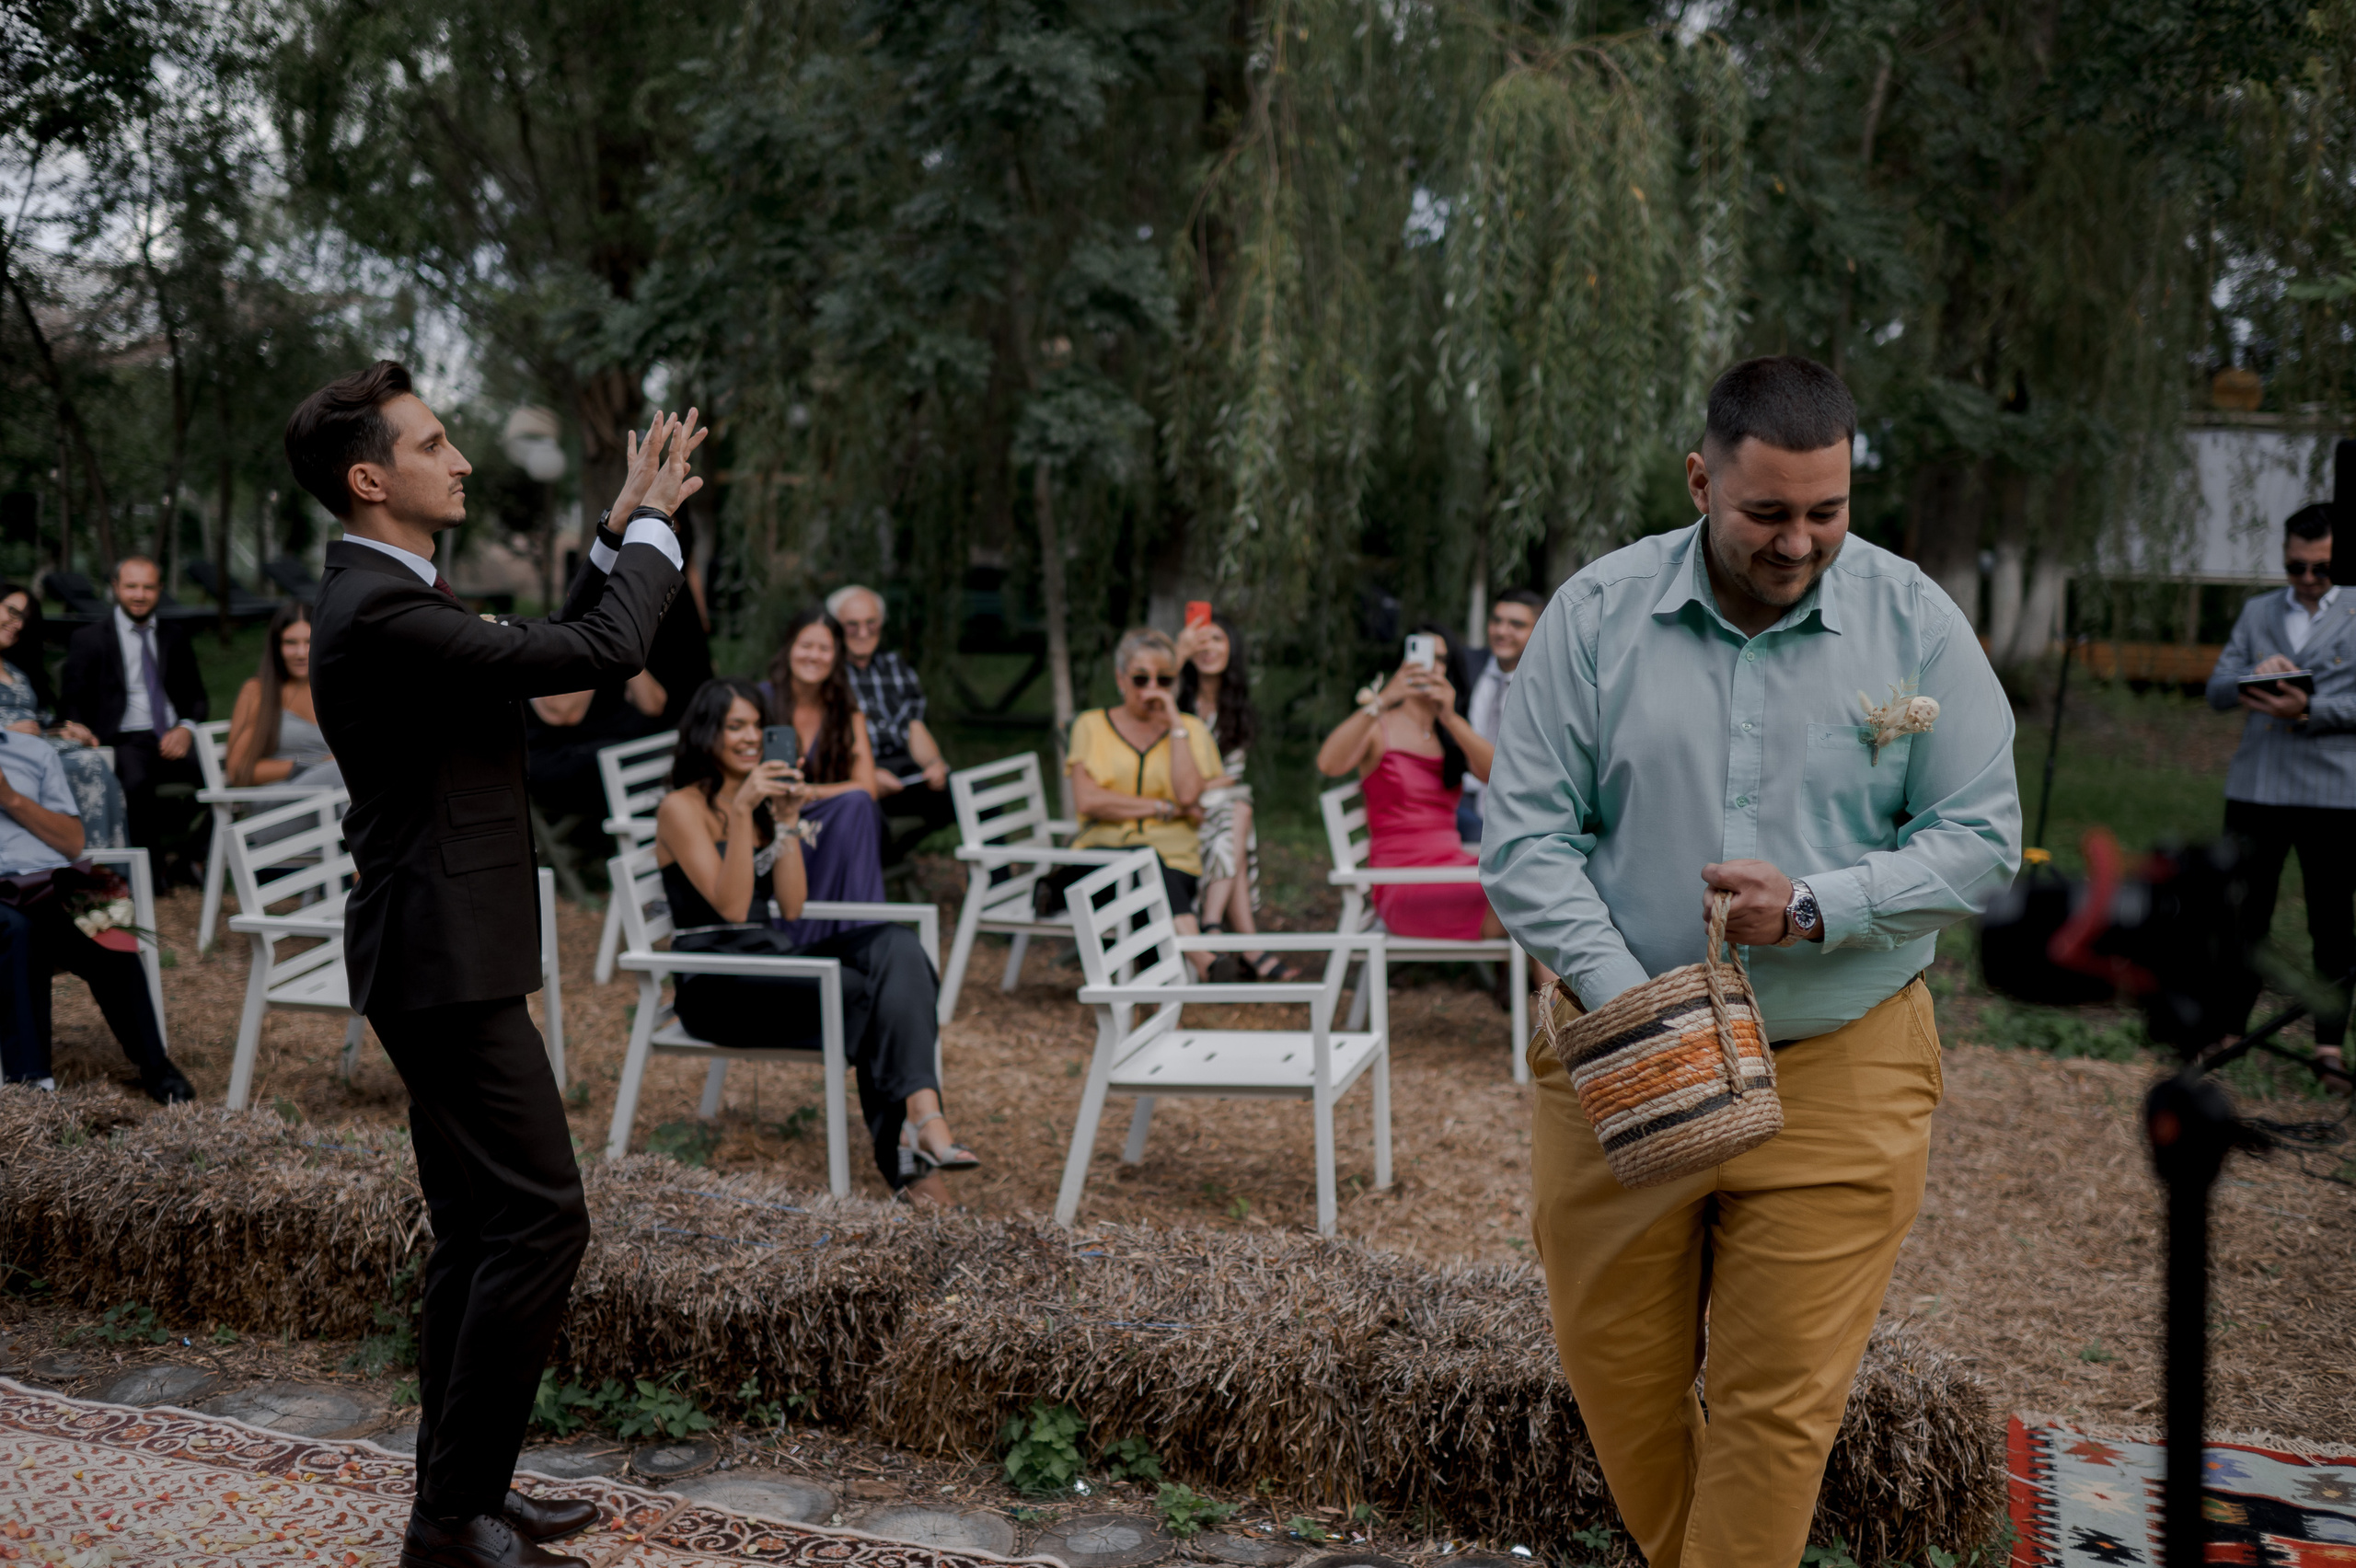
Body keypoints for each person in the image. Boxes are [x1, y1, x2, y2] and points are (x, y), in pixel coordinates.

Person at [1482, 355, 2020, 1565]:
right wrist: (1640, 1009)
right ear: (1699, 479)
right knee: (1620, 1388)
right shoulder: (1595, 616)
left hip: (1843, 1063)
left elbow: (1985, 839)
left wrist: (1823, 905)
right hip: (1621, 1064)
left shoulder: (1914, 620)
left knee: (1778, 1412)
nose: (1799, 543)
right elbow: (1523, 842)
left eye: (1826, 512)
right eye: (1767, 513)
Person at [291, 358, 699, 1568]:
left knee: (480, 1229)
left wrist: (617, 528)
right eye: (432, 443)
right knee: (539, 1220)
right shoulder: (378, 608)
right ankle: (451, 1520)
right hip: (437, 962)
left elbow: (548, 646)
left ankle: (460, 1497)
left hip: (440, 950)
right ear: (371, 478)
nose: (459, 459)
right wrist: (661, 534)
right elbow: (605, 648)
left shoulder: (399, 595)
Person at [653, 676, 976, 1202]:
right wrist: (739, 813)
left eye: (758, 725)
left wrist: (785, 821)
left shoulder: (759, 805)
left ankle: (921, 1112)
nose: (751, 736)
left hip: (770, 961)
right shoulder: (681, 808)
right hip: (719, 986)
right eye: (736, 726)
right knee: (874, 997)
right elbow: (732, 907)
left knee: (897, 945)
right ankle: (912, 1156)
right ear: (707, 733)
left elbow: (794, 905)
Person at [2204, 502, 2356, 1090]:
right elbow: (2217, 689)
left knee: (2332, 923)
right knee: (2241, 914)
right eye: (2297, 567)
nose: (2309, 580)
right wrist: (2253, 677)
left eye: (2321, 568)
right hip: (2256, 788)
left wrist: (2311, 708)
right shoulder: (2258, 611)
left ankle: (2328, 1048)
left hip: (2335, 794)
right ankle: (2226, 1032)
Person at [0, 726, 190, 1101]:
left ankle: (155, 1066)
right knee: (16, 930)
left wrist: (11, 798)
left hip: (47, 881)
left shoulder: (32, 750)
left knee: (103, 926)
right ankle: (31, 1087)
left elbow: (72, 842)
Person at [1316, 622, 1519, 946]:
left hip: (1453, 868)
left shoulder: (1447, 733)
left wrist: (1451, 719)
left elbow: (1502, 776)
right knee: (1532, 898)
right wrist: (1382, 699)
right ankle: (1552, 996)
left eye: (1442, 659)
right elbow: (1328, 763)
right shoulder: (1379, 726)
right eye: (1422, 656)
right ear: (1403, 661)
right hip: (1405, 881)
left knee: (1537, 883)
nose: (1431, 666)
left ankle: (1549, 995)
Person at [1062, 628, 1224, 958]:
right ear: (1121, 680)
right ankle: (1203, 959)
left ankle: (1176, 965)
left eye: (1164, 681)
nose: (1152, 690)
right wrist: (1164, 808)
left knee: (1151, 871)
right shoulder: (1090, 726)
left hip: (1176, 864)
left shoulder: (1190, 730)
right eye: (1141, 679)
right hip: (1098, 858)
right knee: (1141, 862)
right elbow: (1089, 801)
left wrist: (1175, 725)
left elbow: (1190, 797)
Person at [59, 556, 208, 870]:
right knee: (137, 784)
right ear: (115, 588)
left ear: (160, 589)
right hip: (124, 738)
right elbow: (71, 699)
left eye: (148, 587)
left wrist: (185, 728)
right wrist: (80, 730)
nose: (139, 595)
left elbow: (197, 697)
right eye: (131, 586)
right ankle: (151, 873)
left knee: (228, 778)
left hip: (172, 735)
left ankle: (190, 853)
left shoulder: (175, 635)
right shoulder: (88, 639)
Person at [764, 606, 889, 947]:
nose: (813, 656)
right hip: (769, 817)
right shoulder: (761, 701)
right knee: (854, 808)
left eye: (824, 648)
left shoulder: (845, 711)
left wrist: (809, 793)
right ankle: (864, 939)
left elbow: (867, 788)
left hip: (825, 815)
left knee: (858, 805)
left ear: (836, 656)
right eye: (806, 646)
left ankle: (848, 936)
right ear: (789, 647)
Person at [1177, 614, 1284, 980]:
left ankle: (1219, 929)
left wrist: (1207, 783)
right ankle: (1237, 938)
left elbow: (1230, 776)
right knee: (1238, 814)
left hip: (1219, 812)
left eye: (1217, 640)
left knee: (1236, 814)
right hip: (1182, 811)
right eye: (1200, 642)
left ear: (1232, 648)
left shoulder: (1235, 703)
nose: (1208, 649)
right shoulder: (1175, 697)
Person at [828, 584, 954, 857]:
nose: (863, 633)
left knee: (978, 797)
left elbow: (914, 726)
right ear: (836, 627)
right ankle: (873, 885)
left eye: (870, 623)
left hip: (906, 773)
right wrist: (867, 777)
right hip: (856, 774)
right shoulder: (827, 671)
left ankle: (999, 887)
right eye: (852, 625)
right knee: (865, 815)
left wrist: (934, 764)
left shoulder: (894, 665)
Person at [0, 583, 128, 848]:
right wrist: (6, 733)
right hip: (9, 757)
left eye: (23, 618)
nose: (18, 624)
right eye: (12, 611)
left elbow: (38, 722)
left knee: (91, 760)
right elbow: (17, 728)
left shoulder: (15, 670)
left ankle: (104, 866)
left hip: (38, 749)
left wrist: (66, 730)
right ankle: (88, 867)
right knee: (84, 765)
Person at [1456, 588, 1545, 844]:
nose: (1501, 631)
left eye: (1516, 624)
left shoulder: (1546, 683)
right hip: (1463, 797)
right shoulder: (1464, 665)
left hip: (1520, 802)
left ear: (1538, 630)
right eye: (1496, 621)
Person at [226, 601, 344, 791]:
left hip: (332, 798)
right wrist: (312, 764)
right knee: (343, 770)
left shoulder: (336, 691)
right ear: (277, 646)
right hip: (278, 798)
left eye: (309, 642)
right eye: (291, 642)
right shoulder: (258, 691)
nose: (300, 653)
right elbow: (238, 771)